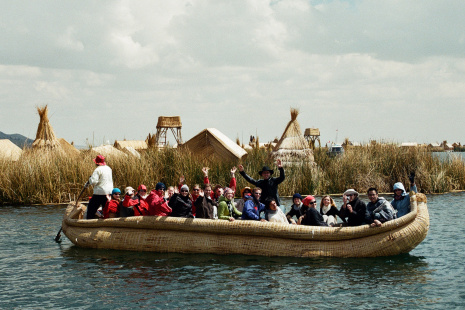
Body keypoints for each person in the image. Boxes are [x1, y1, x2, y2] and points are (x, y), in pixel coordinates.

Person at [86, 155, 113, 219]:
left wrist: (90, 179)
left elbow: (93, 181)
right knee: (105, 209)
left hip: (99, 192)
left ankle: (88, 223)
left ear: (96, 163)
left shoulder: (97, 170)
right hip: (109, 192)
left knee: (91, 208)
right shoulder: (109, 168)